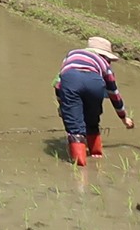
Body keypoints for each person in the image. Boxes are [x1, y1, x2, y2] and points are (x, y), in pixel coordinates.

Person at [56, 37, 133, 166]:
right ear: (105, 56)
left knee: (75, 126)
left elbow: (58, 84)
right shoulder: (104, 64)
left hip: (70, 80)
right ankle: (96, 153)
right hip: (94, 82)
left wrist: (62, 105)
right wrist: (123, 117)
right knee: (92, 118)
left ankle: (79, 163)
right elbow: (114, 93)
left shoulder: (72, 55)